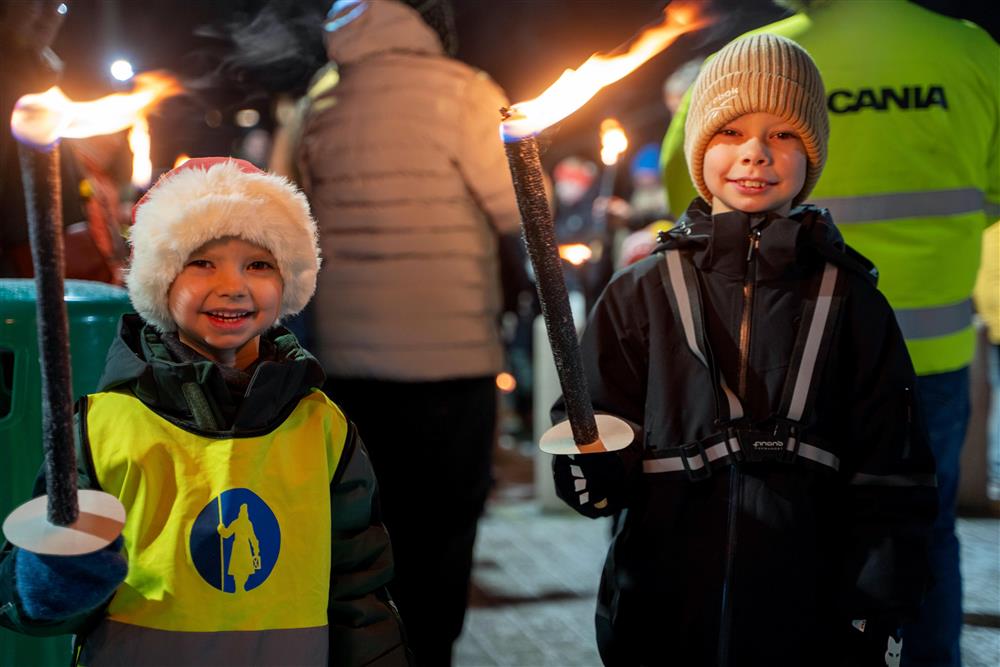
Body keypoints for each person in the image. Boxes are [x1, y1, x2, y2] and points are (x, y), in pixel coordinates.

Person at [552, 34, 937, 666]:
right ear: (700, 145)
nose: (755, 153)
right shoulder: (639, 292)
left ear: (811, 154)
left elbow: (894, 472)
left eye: (784, 135)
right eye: (730, 131)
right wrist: (590, 467)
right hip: (662, 610)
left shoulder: (853, 303)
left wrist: (880, 601)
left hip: (810, 622)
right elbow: (595, 426)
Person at [660, 7, 999, 663]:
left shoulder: (758, 54)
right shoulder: (970, 51)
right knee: (922, 530)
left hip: (785, 352)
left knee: (793, 529)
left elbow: (689, 180)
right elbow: (991, 192)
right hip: (932, 349)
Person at [0, 157, 409, 666]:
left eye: (259, 264)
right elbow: (31, 596)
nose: (233, 285)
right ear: (160, 280)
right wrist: (49, 583)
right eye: (202, 262)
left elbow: (359, 584)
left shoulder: (320, 425)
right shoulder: (104, 425)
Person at [295, 1, 520, 663]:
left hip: (347, 364)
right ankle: (431, 650)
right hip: (452, 359)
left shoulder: (319, 103)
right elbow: (518, 205)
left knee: (365, 529)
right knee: (445, 531)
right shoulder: (466, 92)